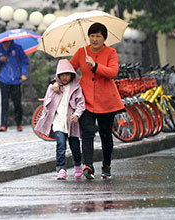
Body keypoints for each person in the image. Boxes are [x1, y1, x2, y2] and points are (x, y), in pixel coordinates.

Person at [53, 22, 124, 179]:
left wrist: (95, 65)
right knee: (87, 133)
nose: (95, 39)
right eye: (92, 36)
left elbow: (113, 72)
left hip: (107, 102)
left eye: (98, 36)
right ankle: (89, 165)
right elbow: (68, 71)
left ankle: (106, 166)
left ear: (104, 38)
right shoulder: (81, 52)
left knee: (106, 134)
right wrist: (56, 82)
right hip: (86, 101)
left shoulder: (111, 52)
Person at [35, 59, 85, 180]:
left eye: (67, 74)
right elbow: (47, 102)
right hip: (58, 121)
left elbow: (81, 103)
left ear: (72, 75)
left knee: (75, 145)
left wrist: (77, 114)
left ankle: (78, 165)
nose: (64, 77)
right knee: (60, 144)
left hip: (71, 122)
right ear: (57, 76)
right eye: (61, 75)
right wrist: (53, 88)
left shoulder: (76, 88)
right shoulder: (53, 88)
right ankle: (61, 168)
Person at [0, 40, 29, 132]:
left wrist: (23, 73)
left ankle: (19, 123)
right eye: (4, 42)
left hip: (16, 80)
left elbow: (24, 61)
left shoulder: (17, 48)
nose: (6, 43)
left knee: (17, 103)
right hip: (3, 79)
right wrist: (0, 60)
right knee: (4, 103)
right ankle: (3, 124)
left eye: (8, 42)